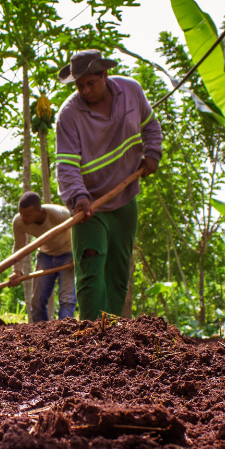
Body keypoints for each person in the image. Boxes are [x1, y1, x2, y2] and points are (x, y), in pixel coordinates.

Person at [54, 49, 163, 320]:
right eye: (79, 85)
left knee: (119, 270)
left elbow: (150, 126)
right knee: (90, 270)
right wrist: (78, 197)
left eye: (91, 83)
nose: (85, 90)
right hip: (90, 206)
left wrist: (152, 153)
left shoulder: (131, 91)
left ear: (105, 74)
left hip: (125, 198)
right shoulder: (68, 115)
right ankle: (90, 332)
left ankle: (113, 331)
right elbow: (66, 165)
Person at [7, 191, 76, 321]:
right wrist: (16, 271)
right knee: (37, 301)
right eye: (21, 213)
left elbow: (79, 231)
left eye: (27, 215)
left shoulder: (60, 214)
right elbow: (19, 247)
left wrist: (77, 257)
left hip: (68, 255)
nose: (23, 218)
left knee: (67, 299)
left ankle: (65, 329)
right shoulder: (19, 221)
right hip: (45, 256)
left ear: (40, 212)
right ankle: (41, 331)